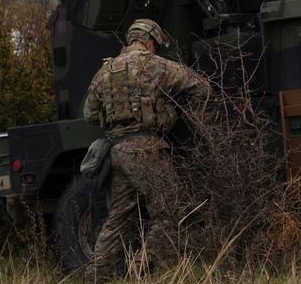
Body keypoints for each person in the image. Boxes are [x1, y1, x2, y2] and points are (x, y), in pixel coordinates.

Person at [82, 19, 208, 280]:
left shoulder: (105, 70)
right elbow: (202, 89)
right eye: (156, 45)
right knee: (173, 209)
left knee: (117, 220)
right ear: (150, 41)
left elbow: (90, 114)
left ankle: (95, 277)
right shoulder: (155, 65)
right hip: (146, 149)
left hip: (115, 152)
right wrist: (173, 111)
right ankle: (139, 269)